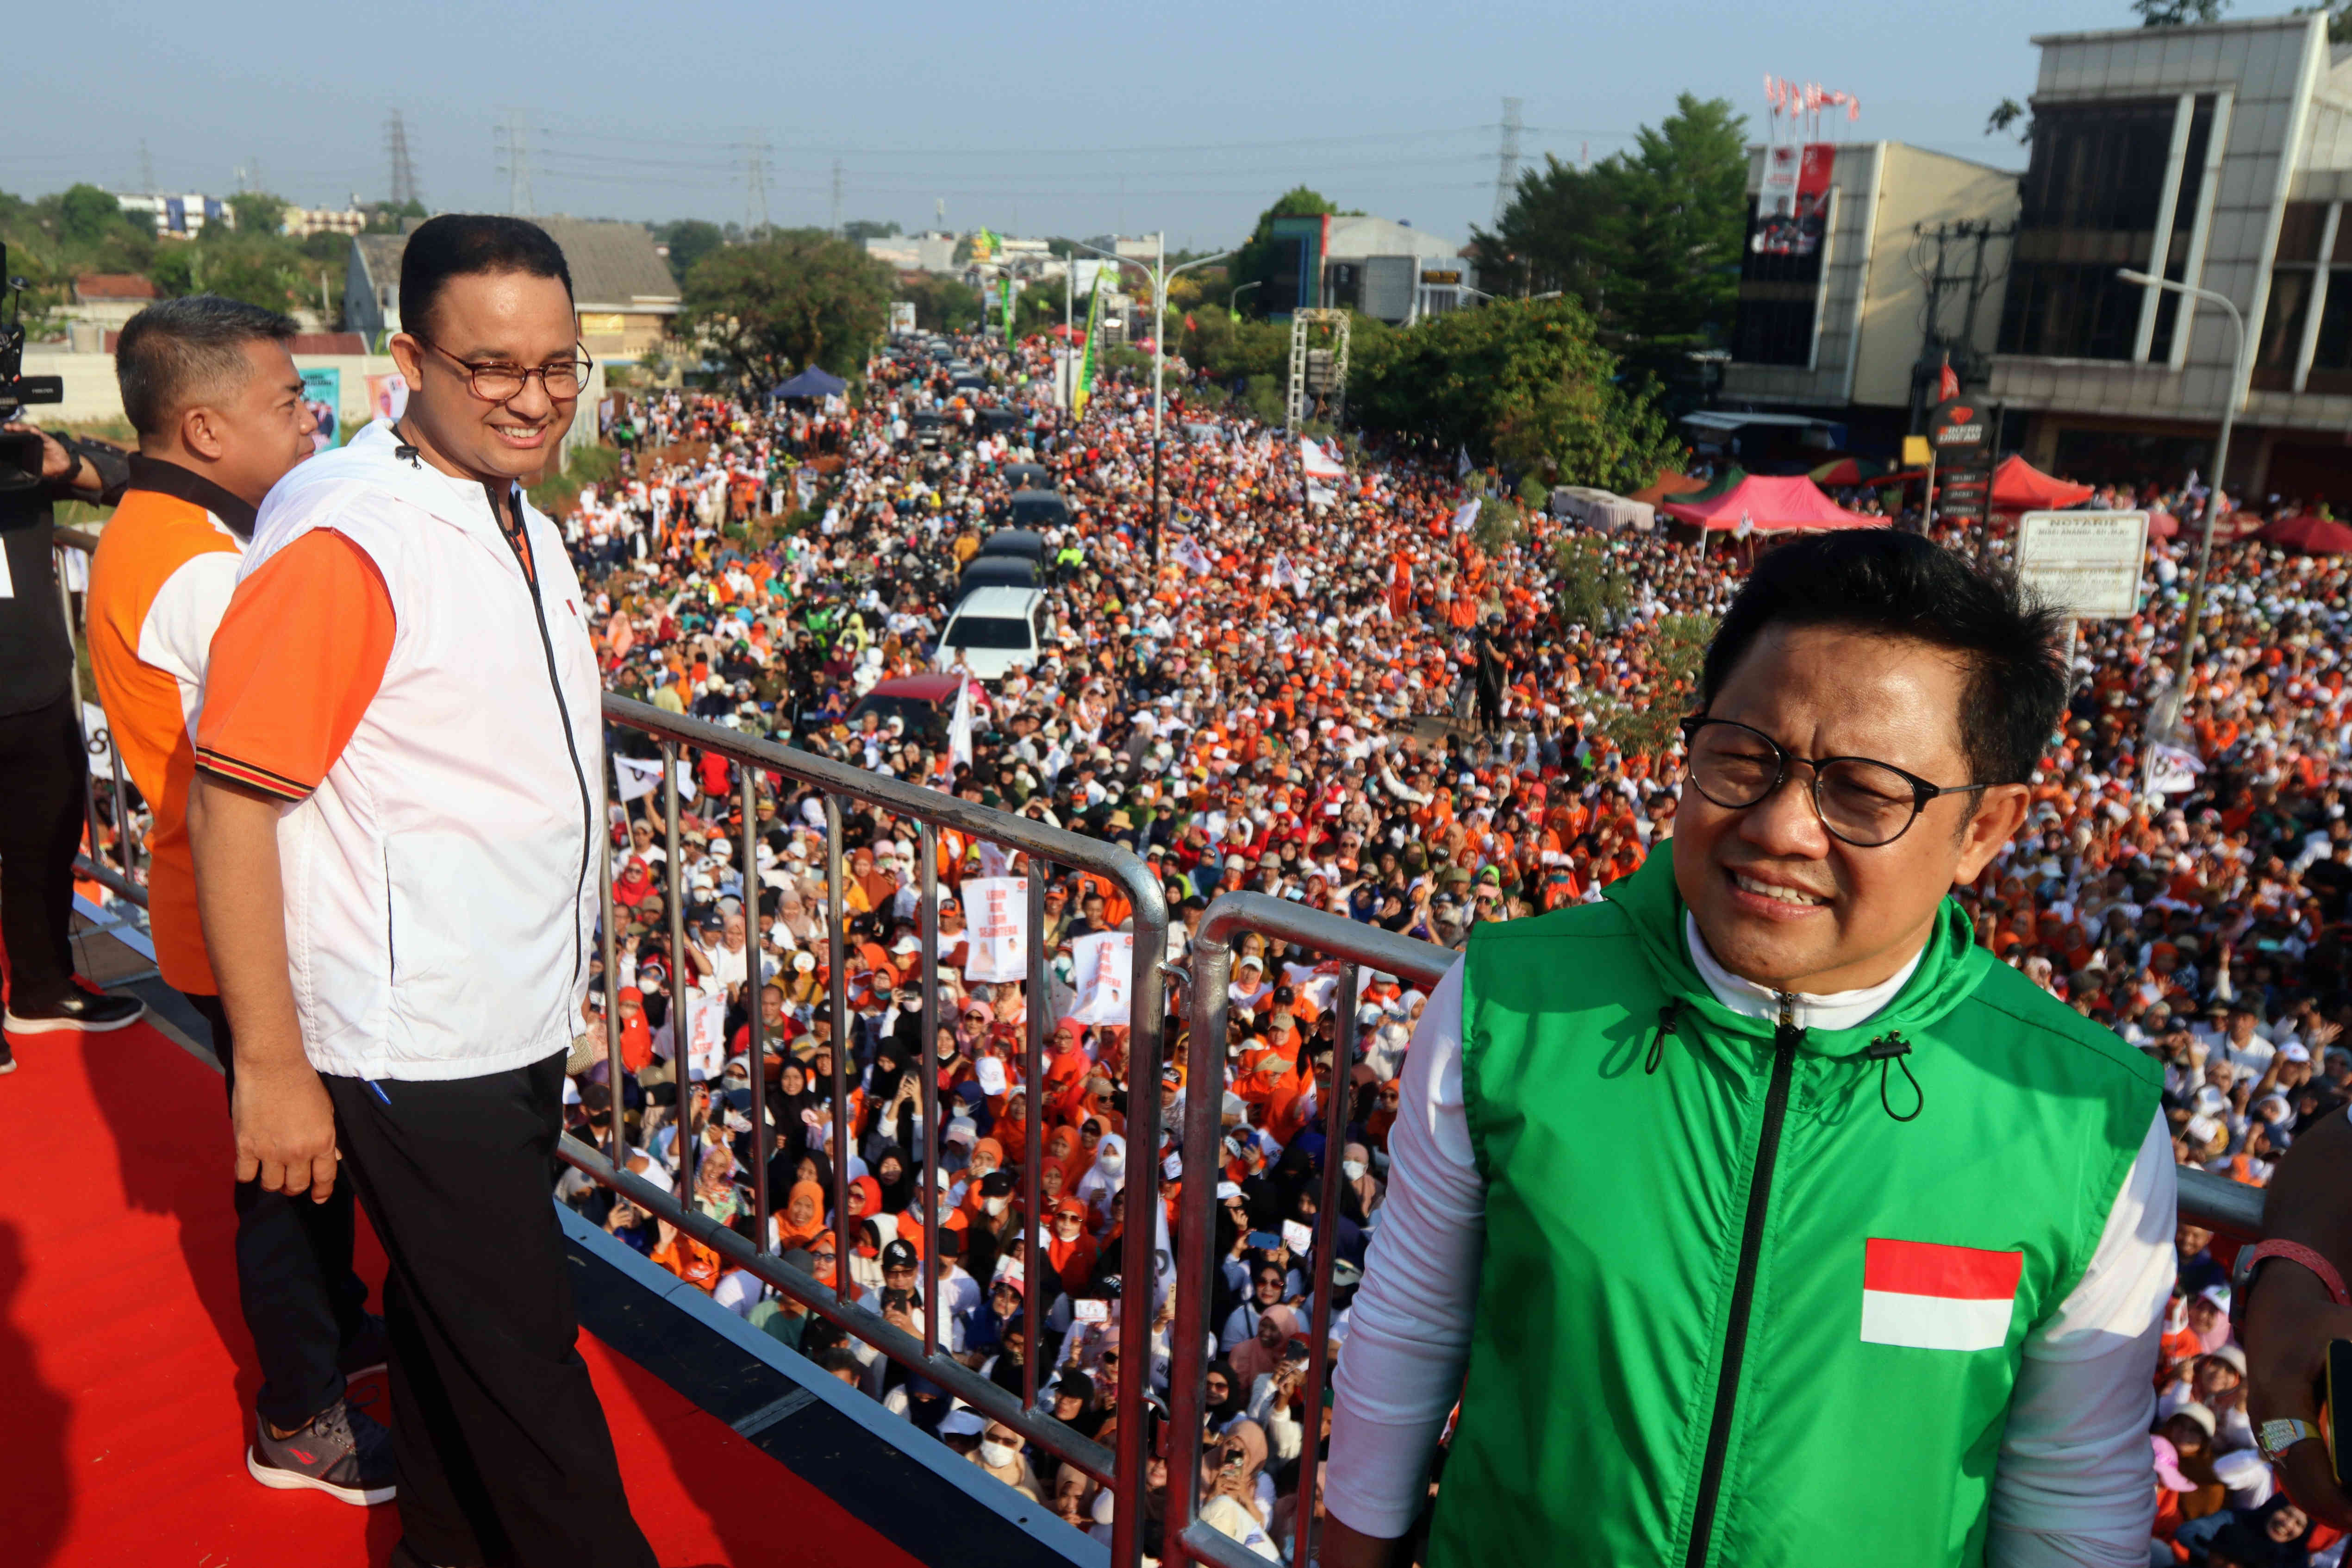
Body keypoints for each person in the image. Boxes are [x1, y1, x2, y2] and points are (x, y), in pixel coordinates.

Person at [1325, 532, 2177, 1566]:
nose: (1780, 826)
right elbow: (1411, 1322)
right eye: (1744, 756)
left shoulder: (2086, 1122)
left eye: (1863, 791)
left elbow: (2071, 1498)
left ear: (1985, 829)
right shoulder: (1511, 1001)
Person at [185, 214, 654, 1568]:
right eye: (491, 365)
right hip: (410, 1033)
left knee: (460, 1354)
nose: (533, 396)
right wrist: (270, 1063)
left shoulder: (515, 513)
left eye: (559, 365)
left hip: (504, 1007)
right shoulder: (356, 537)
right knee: (529, 1372)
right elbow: (233, 801)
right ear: (410, 361)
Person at [85, 294, 393, 1504]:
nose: (311, 426)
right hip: (247, 917)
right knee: (289, 1170)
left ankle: (334, 1332)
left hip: (216, 906)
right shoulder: (205, 571)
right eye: (290, 405)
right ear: (206, 429)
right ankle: (300, 1413)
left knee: (305, 1174)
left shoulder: (157, 525)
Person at [0, 413, 143, 1052]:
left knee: (47, 847)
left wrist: (67, 466)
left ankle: (42, 989)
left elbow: (130, 478)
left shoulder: (19, 457)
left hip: (37, 689)